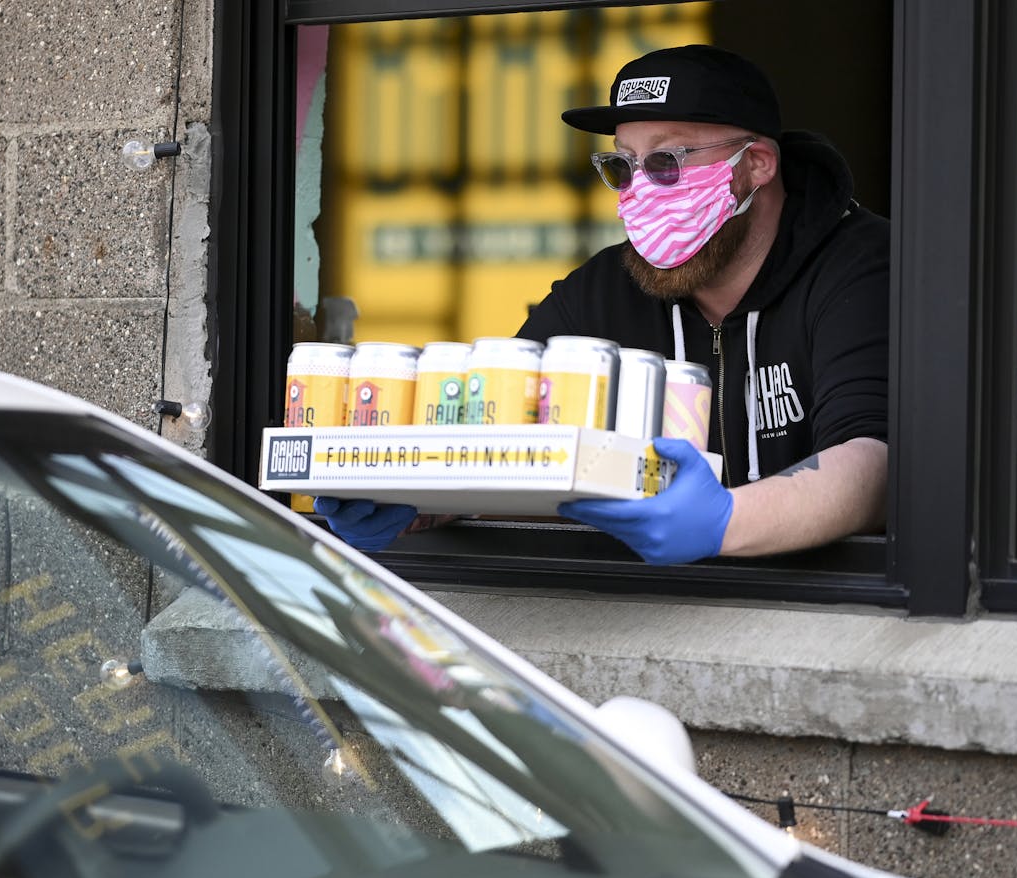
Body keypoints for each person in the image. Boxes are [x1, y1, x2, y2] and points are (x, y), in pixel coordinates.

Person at [317, 44, 888, 565]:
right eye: (623, 165)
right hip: (640, 608)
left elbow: (873, 462)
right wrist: (417, 501)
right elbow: (505, 438)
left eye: (666, 162)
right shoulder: (602, 290)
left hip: (831, 606)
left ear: (757, 164)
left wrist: (725, 523)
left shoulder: (863, 267)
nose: (638, 190)